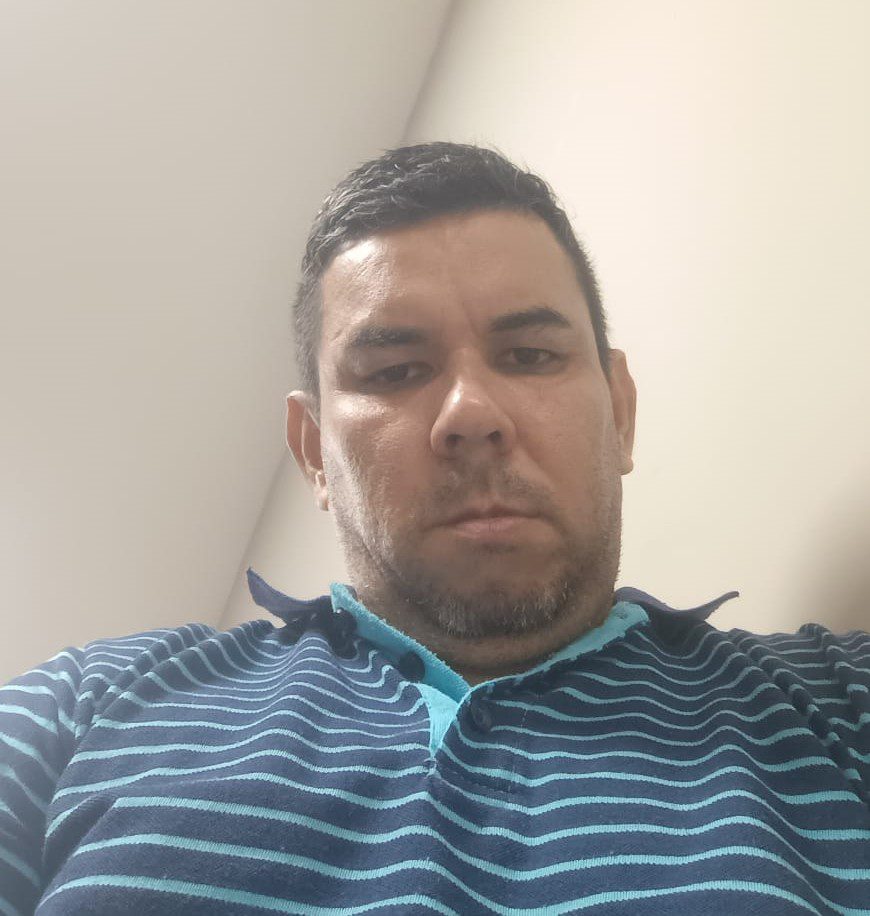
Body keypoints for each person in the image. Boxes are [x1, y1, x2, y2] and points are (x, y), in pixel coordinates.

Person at [1, 143, 868, 915]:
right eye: (395, 369)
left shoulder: (838, 699)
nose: (471, 414)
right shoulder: (80, 705)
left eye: (530, 356)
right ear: (313, 452)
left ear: (621, 413)